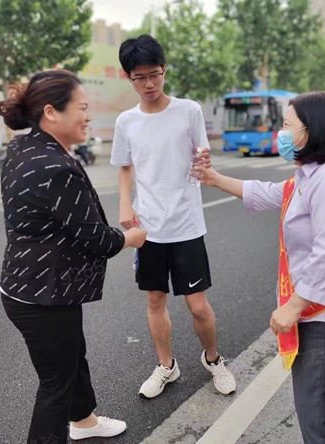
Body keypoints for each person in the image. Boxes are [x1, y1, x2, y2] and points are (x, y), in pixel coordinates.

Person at [198, 91, 325, 444]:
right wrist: (212, 178)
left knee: (320, 424)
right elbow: (268, 193)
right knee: (318, 419)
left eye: (288, 125)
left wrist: (293, 306)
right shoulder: (310, 175)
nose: (282, 133)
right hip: (320, 315)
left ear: (312, 129)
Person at [0, 69, 148, 444]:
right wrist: (131, 237)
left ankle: (85, 422)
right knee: (55, 384)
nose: (88, 116)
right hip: (43, 296)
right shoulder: (56, 167)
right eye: (81, 108)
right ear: (51, 112)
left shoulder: (23, 148)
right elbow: (98, 240)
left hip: (30, 285)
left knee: (72, 355)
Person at [111, 34, 236, 399]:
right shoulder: (126, 121)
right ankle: (167, 366)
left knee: (197, 304)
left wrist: (204, 164)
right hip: (148, 228)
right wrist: (124, 203)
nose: (149, 84)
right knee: (155, 300)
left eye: (155, 74)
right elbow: (124, 167)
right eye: (140, 77)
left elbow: (201, 156)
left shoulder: (188, 111)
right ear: (129, 78)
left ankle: (213, 359)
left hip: (186, 224)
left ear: (164, 70)